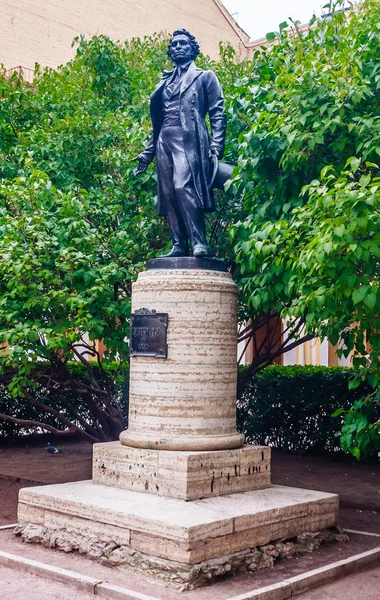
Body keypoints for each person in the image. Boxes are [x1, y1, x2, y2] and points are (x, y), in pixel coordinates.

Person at [134, 29, 226, 258]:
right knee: (167, 193)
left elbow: (217, 112)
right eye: (173, 44)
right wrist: (147, 153)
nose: (177, 47)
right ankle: (178, 245)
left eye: (182, 44)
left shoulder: (205, 76)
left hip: (190, 140)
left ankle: (199, 242)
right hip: (164, 139)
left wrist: (216, 145)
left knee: (182, 186)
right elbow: (157, 123)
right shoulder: (164, 82)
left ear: (193, 49)